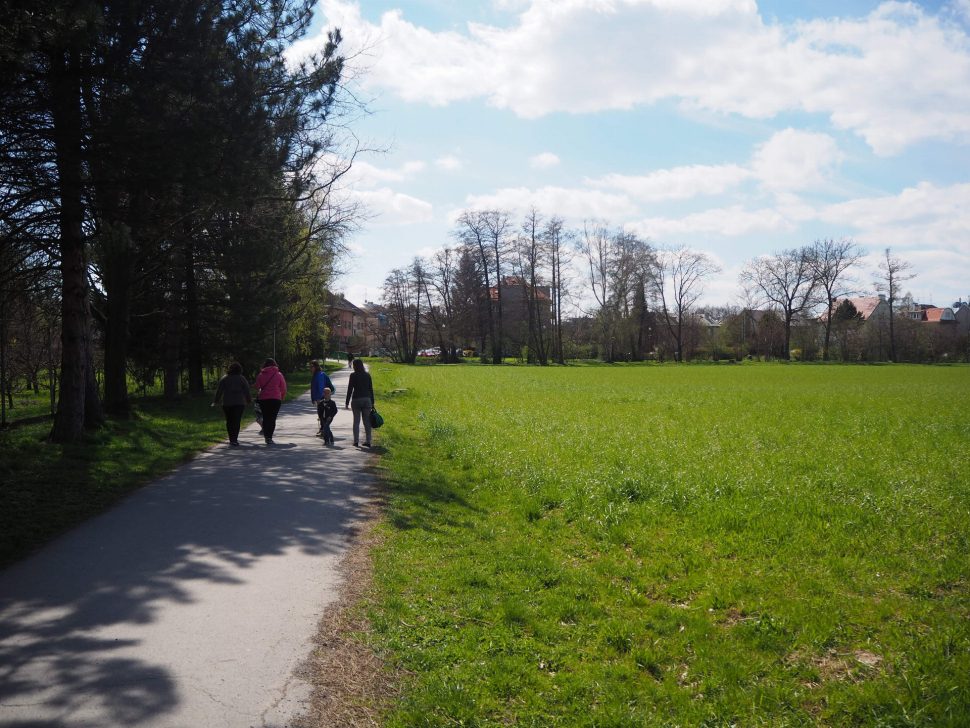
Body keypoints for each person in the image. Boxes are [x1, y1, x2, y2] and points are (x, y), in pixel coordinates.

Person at [212, 362, 252, 446]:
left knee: (229, 420)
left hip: (227, 402)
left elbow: (219, 391)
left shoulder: (225, 378)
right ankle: (235, 439)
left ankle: (231, 438)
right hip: (239, 402)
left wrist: (216, 402)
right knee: (236, 421)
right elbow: (247, 390)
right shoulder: (242, 378)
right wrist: (249, 399)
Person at [253, 358, 287, 444]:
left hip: (263, 399)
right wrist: (281, 396)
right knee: (272, 418)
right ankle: (269, 437)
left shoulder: (261, 375)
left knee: (266, 417)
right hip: (275, 399)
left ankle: (266, 435)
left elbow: (256, 387)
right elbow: (283, 388)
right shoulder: (279, 375)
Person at [345, 357, 374, 447]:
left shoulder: (353, 375)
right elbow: (371, 389)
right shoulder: (367, 375)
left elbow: (350, 389)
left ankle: (356, 441)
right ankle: (368, 441)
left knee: (356, 421)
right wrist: (372, 402)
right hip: (366, 399)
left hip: (356, 399)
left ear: (354, 366)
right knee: (366, 421)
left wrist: (347, 401)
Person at [310, 359, 337, 436]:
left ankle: (324, 430)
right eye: (310, 367)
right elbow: (314, 387)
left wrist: (319, 398)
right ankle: (323, 429)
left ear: (316, 367)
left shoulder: (319, 375)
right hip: (319, 397)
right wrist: (313, 398)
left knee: (323, 415)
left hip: (321, 398)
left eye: (312, 367)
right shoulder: (316, 374)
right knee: (321, 414)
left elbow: (321, 387)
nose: (310, 368)